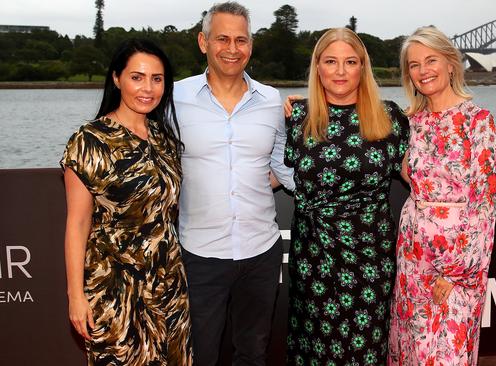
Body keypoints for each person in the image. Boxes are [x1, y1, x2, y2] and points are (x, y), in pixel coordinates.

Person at [173, 2, 294, 365]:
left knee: (253, 354)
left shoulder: (271, 100)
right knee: (200, 355)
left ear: (251, 46)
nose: (232, 48)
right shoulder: (173, 99)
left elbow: (283, 166)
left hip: (261, 251)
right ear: (202, 42)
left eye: (241, 39)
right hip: (199, 255)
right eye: (222, 38)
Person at [61, 38, 192, 365]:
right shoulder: (89, 141)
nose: (148, 88)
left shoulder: (164, 138)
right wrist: (76, 296)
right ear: (117, 78)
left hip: (169, 285)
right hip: (115, 291)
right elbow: (77, 224)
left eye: (157, 79)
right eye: (137, 77)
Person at [284, 27, 410, 365]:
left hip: (369, 260)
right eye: (331, 61)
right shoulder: (297, 118)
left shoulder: (391, 118)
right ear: (318, 67)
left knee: (363, 351)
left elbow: (423, 179)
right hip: (313, 257)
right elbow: (267, 175)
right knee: (316, 350)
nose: (340, 71)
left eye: (350, 61)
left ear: (362, 68)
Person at [388, 26, 496, 365]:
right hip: (412, 258)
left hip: (456, 265)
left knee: (446, 354)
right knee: (413, 351)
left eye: (431, 60)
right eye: (414, 64)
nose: (423, 71)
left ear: (451, 64)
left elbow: (484, 203)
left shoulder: (478, 121)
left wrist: (455, 272)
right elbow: (356, 124)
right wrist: (297, 108)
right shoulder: (408, 123)